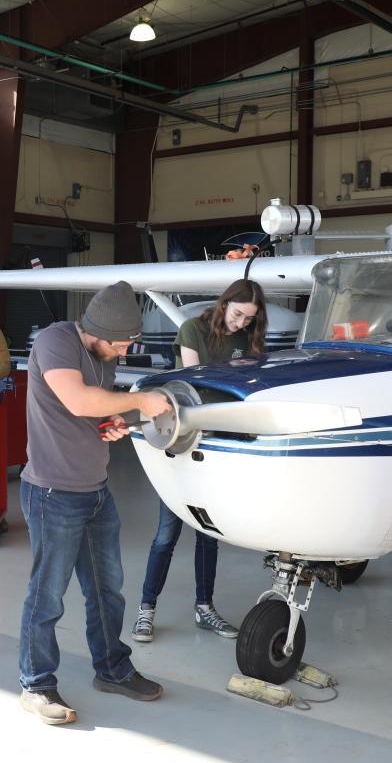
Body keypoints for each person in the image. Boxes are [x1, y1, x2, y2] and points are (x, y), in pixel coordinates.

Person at [18, 281, 173, 726]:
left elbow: (92, 410)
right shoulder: (54, 341)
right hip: (52, 493)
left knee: (107, 591)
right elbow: (77, 398)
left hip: (96, 491)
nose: (123, 353)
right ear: (100, 334)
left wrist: (111, 422)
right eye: (122, 345)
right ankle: (36, 683)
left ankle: (112, 669)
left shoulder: (103, 353)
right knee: (47, 595)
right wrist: (141, 400)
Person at [132, 278, 268, 642]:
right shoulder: (193, 329)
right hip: (183, 442)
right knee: (166, 534)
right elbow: (194, 383)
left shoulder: (249, 340)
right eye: (238, 314)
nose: (241, 324)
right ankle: (146, 610)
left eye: (249, 319)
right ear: (225, 304)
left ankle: (204, 608)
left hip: (219, 448)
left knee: (209, 534)